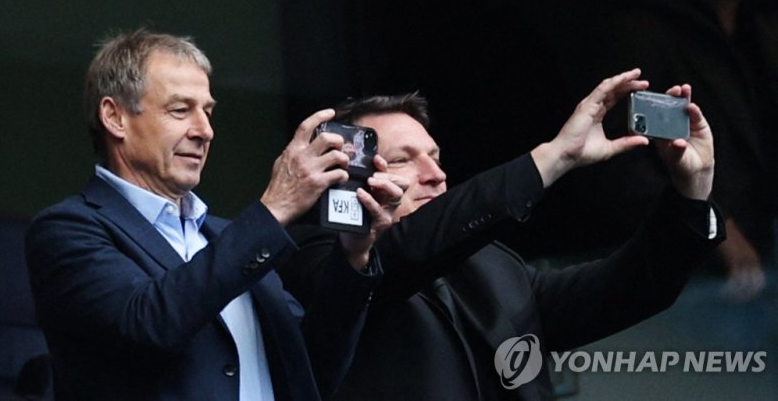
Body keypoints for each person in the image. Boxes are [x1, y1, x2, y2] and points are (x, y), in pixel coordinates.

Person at [278, 68, 724, 399]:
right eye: (402, 160)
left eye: (435, 156)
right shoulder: (316, 255)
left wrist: (691, 191)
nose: (435, 174)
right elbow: (400, 257)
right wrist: (554, 157)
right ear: (344, 175)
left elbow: (627, 289)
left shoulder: (491, 265)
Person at [25, 29, 407, 400]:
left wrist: (353, 254)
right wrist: (275, 208)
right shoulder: (68, 228)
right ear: (115, 117)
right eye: (180, 110)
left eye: (208, 112)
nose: (205, 131)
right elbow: (148, 324)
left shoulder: (227, 238)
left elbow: (311, 371)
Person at [575, 0, 776, 301]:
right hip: (688, 281)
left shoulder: (762, 35)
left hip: (761, 276)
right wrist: (708, 222)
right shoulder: (639, 34)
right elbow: (618, 166)